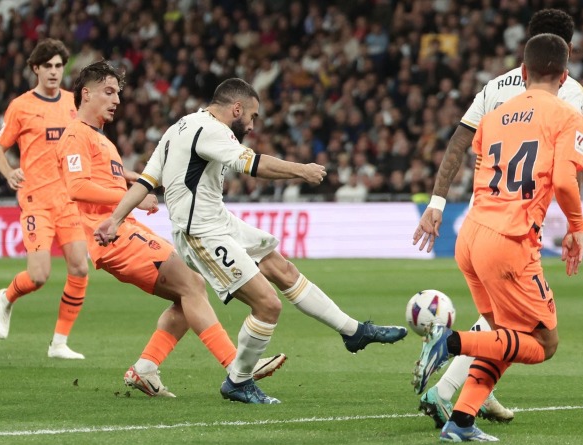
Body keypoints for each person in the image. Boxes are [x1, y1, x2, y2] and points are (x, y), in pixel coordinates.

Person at [95, 77, 408, 403]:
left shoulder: (178, 128)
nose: (253, 124)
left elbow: (146, 182)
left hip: (220, 221)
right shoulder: (212, 131)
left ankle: (352, 331)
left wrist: (114, 220)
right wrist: (301, 170)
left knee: (282, 269)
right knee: (267, 304)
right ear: (237, 108)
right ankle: (239, 381)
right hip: (201, 232)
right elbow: (254, 164)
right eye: (253, 116)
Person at [55, 61, 286, 398]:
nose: (116, 99)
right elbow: (76, 187)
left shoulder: (98, 139)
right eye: (108, 92)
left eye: (118, 92)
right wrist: (131, 198)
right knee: (191, 283)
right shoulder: (76, 134)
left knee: (187, 293)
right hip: (113, 237)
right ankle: (236, 367)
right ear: (85, 94)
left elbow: (102, 178)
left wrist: (131, 178)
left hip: (124, 231)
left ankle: (146, 367)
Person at [411, 8, 583, 428]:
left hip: (474, 224)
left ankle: (463, 411)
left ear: (524, 55)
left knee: (501, 327)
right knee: (538, 338)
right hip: (513, 231)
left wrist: (436, 202)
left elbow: (462, 140)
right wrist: (576, 226)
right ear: (566, 59)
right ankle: (449, 348)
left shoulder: (494, 89)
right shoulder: (571, 94)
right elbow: (562, 170)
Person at [0, 38, 88, 359]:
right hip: (36, 199)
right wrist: (9, 173)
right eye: (48, 66)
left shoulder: (74, 104)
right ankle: (6, 297)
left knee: (79, 268)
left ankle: (59, 343)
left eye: (59, 66)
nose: (54, 72)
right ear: (36, 68)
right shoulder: (21, 106)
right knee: (38, 276)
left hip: (68, 200)